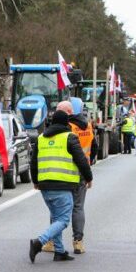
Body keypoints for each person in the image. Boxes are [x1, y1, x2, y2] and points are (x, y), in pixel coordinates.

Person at [29, 110, 93, 263]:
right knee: (63, 220)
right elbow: (81, 160)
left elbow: (33, 162)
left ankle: (59, 251)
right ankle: (39, 242)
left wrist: (36, 181)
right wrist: (88, 178)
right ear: (66, 123)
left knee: (56, 218)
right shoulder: (69, 137)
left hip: (45, 186)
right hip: (63, 185)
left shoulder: (41, 138)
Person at [41, 101, 97, 255]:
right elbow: (94, 147)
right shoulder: (88, 125)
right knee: (78, 207)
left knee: (57, 208)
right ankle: (78, 242)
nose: (56, 113)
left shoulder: (66, 129)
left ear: (67, 111)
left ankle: (51, 241)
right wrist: (88, 171)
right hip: (82, 171)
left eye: (59, 110)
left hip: (66, 171)